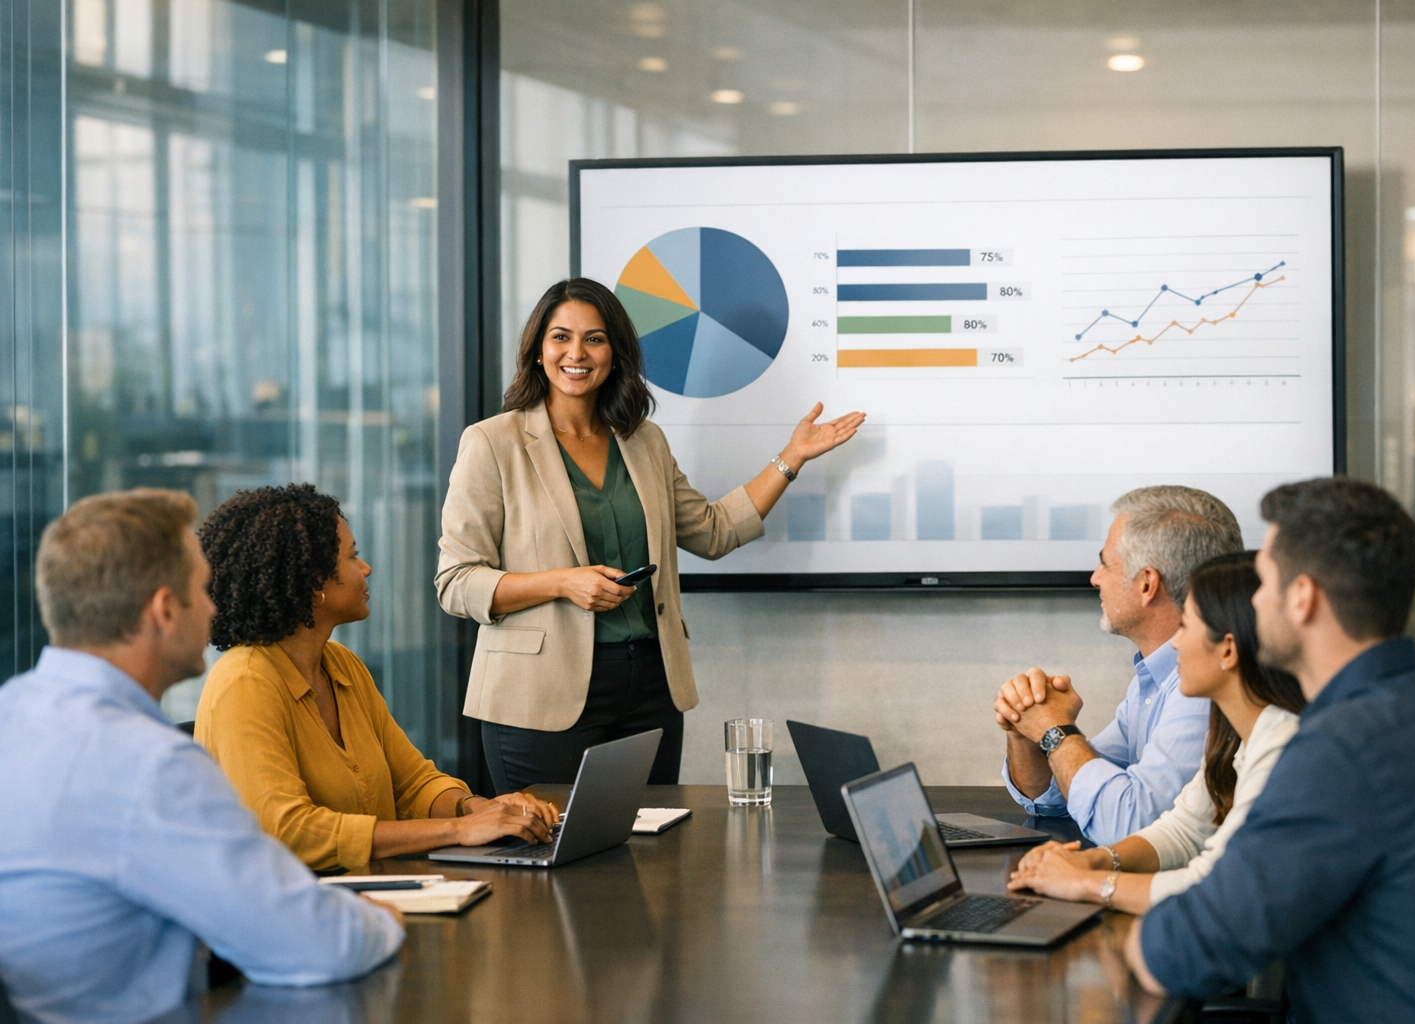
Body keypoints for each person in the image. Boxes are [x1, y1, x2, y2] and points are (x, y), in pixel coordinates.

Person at [1126, 478, 1415, 1024]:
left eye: (1264, 581)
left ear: (1303, 598)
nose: (1252, 601)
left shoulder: (1343, 750)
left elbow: (1179, 954)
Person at [437, 278, 864, 793]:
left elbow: (713, 531)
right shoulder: (491, 442)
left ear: (615, 352)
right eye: (560, 337)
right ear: (537, 350)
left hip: (649, 689)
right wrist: (562, 583)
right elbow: (457, 582)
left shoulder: (642, 442)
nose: (576, 353)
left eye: (594, 338)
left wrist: (791, 457)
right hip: (539, 695)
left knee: (646, 859)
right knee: (550, 858)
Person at [0, 490, 403, 1024]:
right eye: (201, 590)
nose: (215, 607)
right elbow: (320, 945)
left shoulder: (14, 715)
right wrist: (382, 919)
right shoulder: (149, 766)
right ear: (165, 611)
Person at [195, 484, 558, 873]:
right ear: (313, 581)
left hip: (370, 892)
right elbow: (288, 833)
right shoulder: (244, 683)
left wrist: (483, 809)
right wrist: (459, 829)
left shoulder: (342, 665)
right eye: (353, 557)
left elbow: (412, 784)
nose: (365, 568)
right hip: (294, 912)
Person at [1006, 551, 1304, 914]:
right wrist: (1096, 862)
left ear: (1228, 649)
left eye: (1186, 626)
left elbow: (1211, 889)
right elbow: (1182, 830)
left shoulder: (1286, 745)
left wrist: (1086, 883)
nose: (1175, 643)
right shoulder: (1236, 735)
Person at [993, 485, 1243, 845]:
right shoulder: (1153, 677)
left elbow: (1132, 826)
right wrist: (1025, 726)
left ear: (1146, 584)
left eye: (1105, 564)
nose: (1094, 578)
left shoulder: (1204, 688)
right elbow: (1055, 800)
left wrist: (1053, 729)